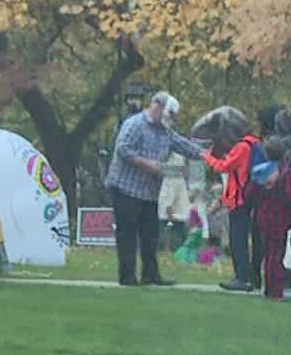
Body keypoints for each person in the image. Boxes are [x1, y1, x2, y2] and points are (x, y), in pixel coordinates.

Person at [105, 91, 206, 286]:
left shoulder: (165, 130)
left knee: (150, 234)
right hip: (125, 188)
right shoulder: (134, 124)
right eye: (166, 114)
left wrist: (206, 155)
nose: (168, 120)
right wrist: (147, 164)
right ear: (156, 106)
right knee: (127, 234)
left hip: (149, 191)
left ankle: (150, 274)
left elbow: (182, 144)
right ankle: (127, 277)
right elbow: (123, 149)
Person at [194, 106, 267, 294]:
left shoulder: (242, 147)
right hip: (250, 198)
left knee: (238, 240)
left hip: (240, 199)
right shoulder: (255, 143)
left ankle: (241, 277)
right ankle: (254, 277)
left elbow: (223, 166)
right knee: (253, 239)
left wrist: (206, 156)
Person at [257, 106, 291, 300]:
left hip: (271, 211)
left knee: (271, 250)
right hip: (288, 205)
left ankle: (273, 285)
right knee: (285, 245)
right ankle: (287, 279)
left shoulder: (272, 165)